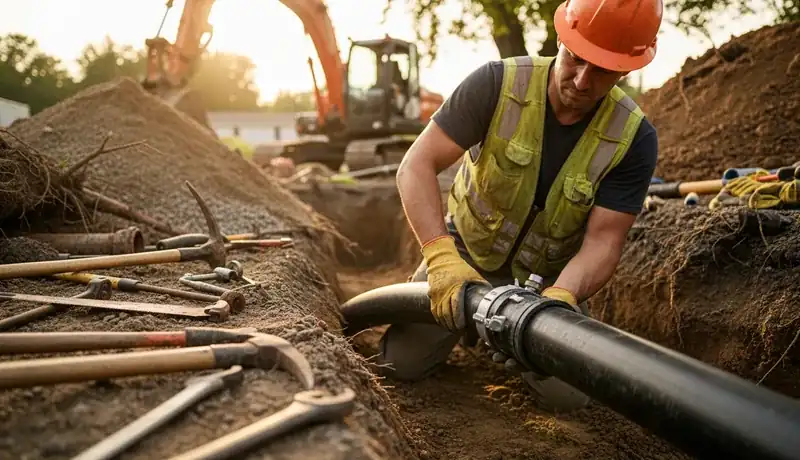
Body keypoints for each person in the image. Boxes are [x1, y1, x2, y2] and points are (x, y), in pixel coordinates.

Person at [377, 0, 663, 412]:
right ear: (562, 40)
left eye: (602, 70)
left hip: (544, 285)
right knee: (397, 365)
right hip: (464, 256)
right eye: (577, 59)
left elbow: (604, 240)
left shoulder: (634, 138)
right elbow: (416, 165)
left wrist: (562, 297)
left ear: (627, 69)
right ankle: (470, 327)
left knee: (568, 399)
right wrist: (440, 256)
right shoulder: (497, 83)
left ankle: (505, 337)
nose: (582, 81)